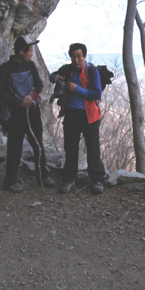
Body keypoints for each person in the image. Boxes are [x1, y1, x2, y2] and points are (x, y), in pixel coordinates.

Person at [0, 35, 55, 193]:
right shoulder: (4, 70)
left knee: (38, 144)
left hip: (32, 111)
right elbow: (2, 93)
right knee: (14, 147)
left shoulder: (31, 66)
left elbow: (39, 85)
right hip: (15, 114)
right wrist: (19, 102)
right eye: (29, 51)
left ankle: (42, 175)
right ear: (21, 52)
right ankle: (10, 181)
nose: (31, 53)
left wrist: (31, 95)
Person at [50, 43, 106, 194]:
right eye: (73, 56)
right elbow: (52, 76)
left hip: (90, 116)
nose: (76, 60)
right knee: (71, 148)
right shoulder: (67, 69)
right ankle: (68, 179)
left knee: (93, 149)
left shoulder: (91, 71)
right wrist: (55, 77)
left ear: (84, 56)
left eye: (79, 56)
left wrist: (77, 89)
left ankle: (97, 180)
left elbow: (96, 94)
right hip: (71, 114)